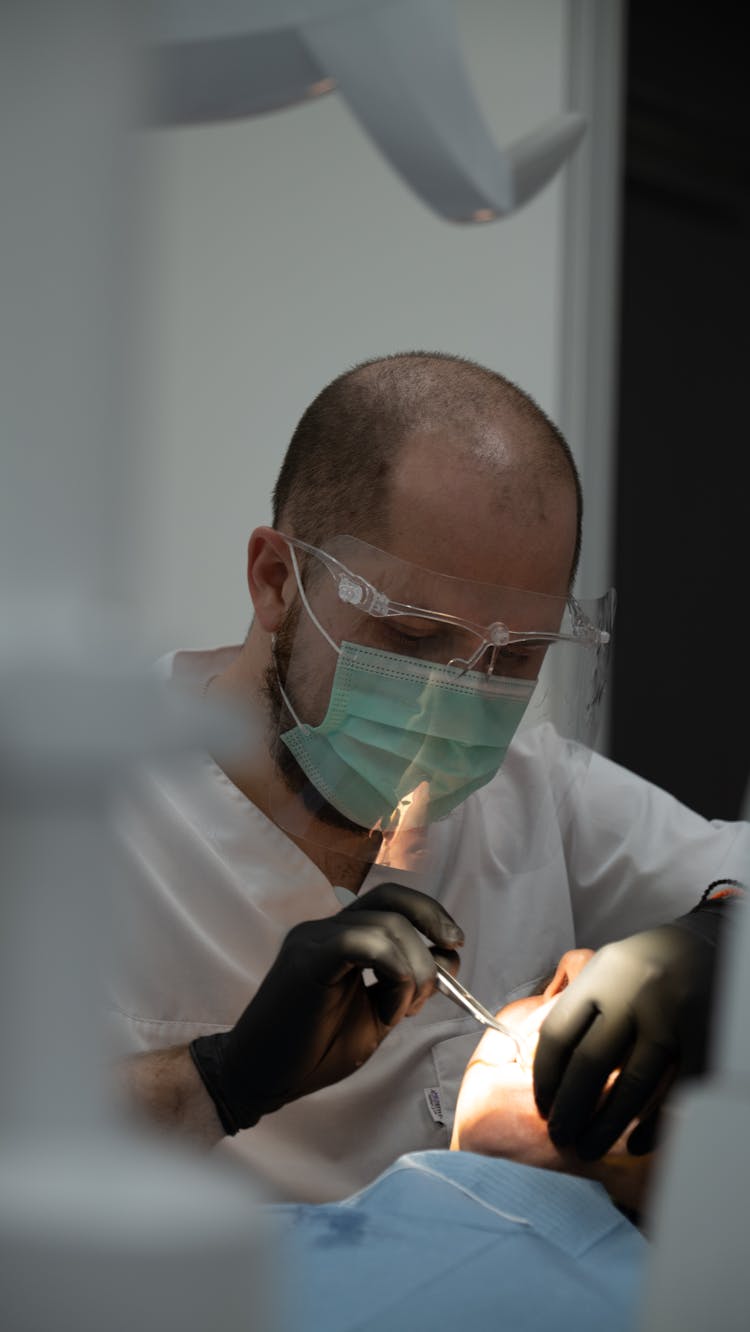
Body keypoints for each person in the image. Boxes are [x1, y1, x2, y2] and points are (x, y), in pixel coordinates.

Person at [112, 350, 750, 1202]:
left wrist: (716, 941)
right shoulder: (70, 805)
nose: (458, 701)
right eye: (413, 638)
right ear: (277, 580)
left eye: (515, 657)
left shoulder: (537, 793)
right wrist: (221, 1078)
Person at [265, 950, 652, 1332]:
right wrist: (217, 1085)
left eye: (647, 1026)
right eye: (558, 987)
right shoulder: (252, 1250)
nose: (580, 965)